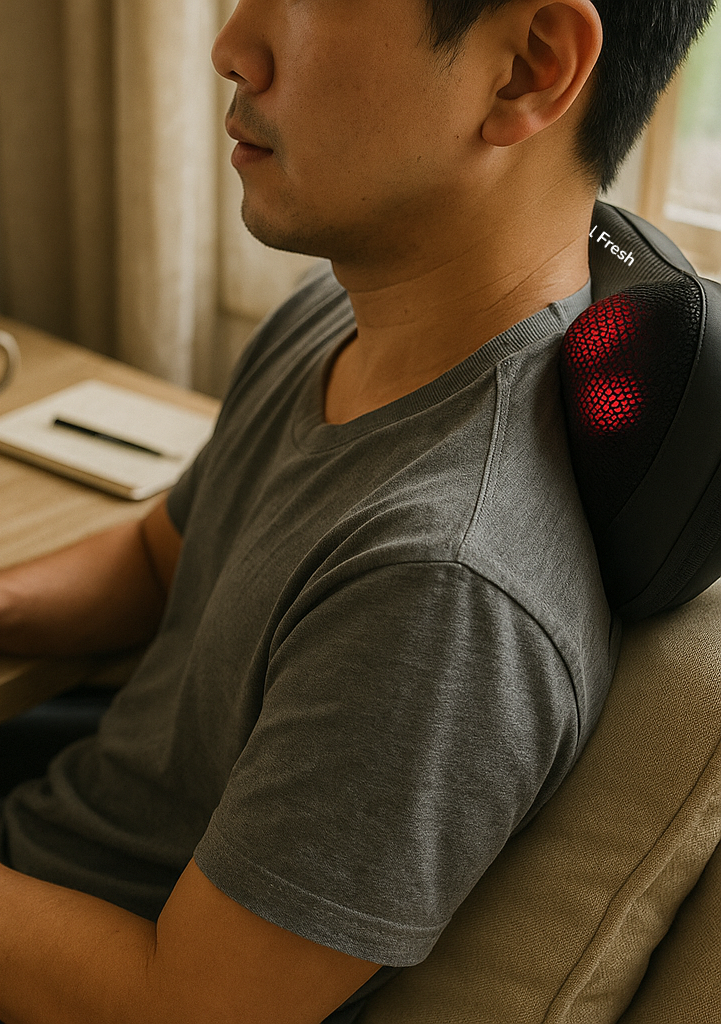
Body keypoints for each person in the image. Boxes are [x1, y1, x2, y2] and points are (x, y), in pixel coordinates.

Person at [0, 1, 715, 1022]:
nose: (230, 47)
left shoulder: (444, 586)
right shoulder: (344, 312)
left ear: (528, 67)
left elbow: (185, 1005)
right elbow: (162, 558)